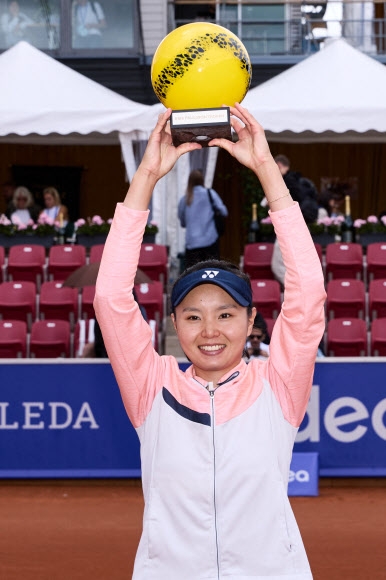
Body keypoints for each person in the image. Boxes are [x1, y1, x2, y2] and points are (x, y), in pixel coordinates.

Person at [94, 103, 326, 579]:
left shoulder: (278, 386)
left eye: (225, 314)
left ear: (251, 321)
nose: (210, 330)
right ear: (175, 325)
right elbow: (110, 297)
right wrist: (146, 177)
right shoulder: (150, 386)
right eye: (194, 317)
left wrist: (266, 169)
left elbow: (308, 294)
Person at [178, 168, 228, 268]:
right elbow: (224, 212)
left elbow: (183, 223)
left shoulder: (185, 199)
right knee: (212, 272)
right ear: (202, 180)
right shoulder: (210, 194)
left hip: (192, 243)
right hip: (210, 241)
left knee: (194, 275)